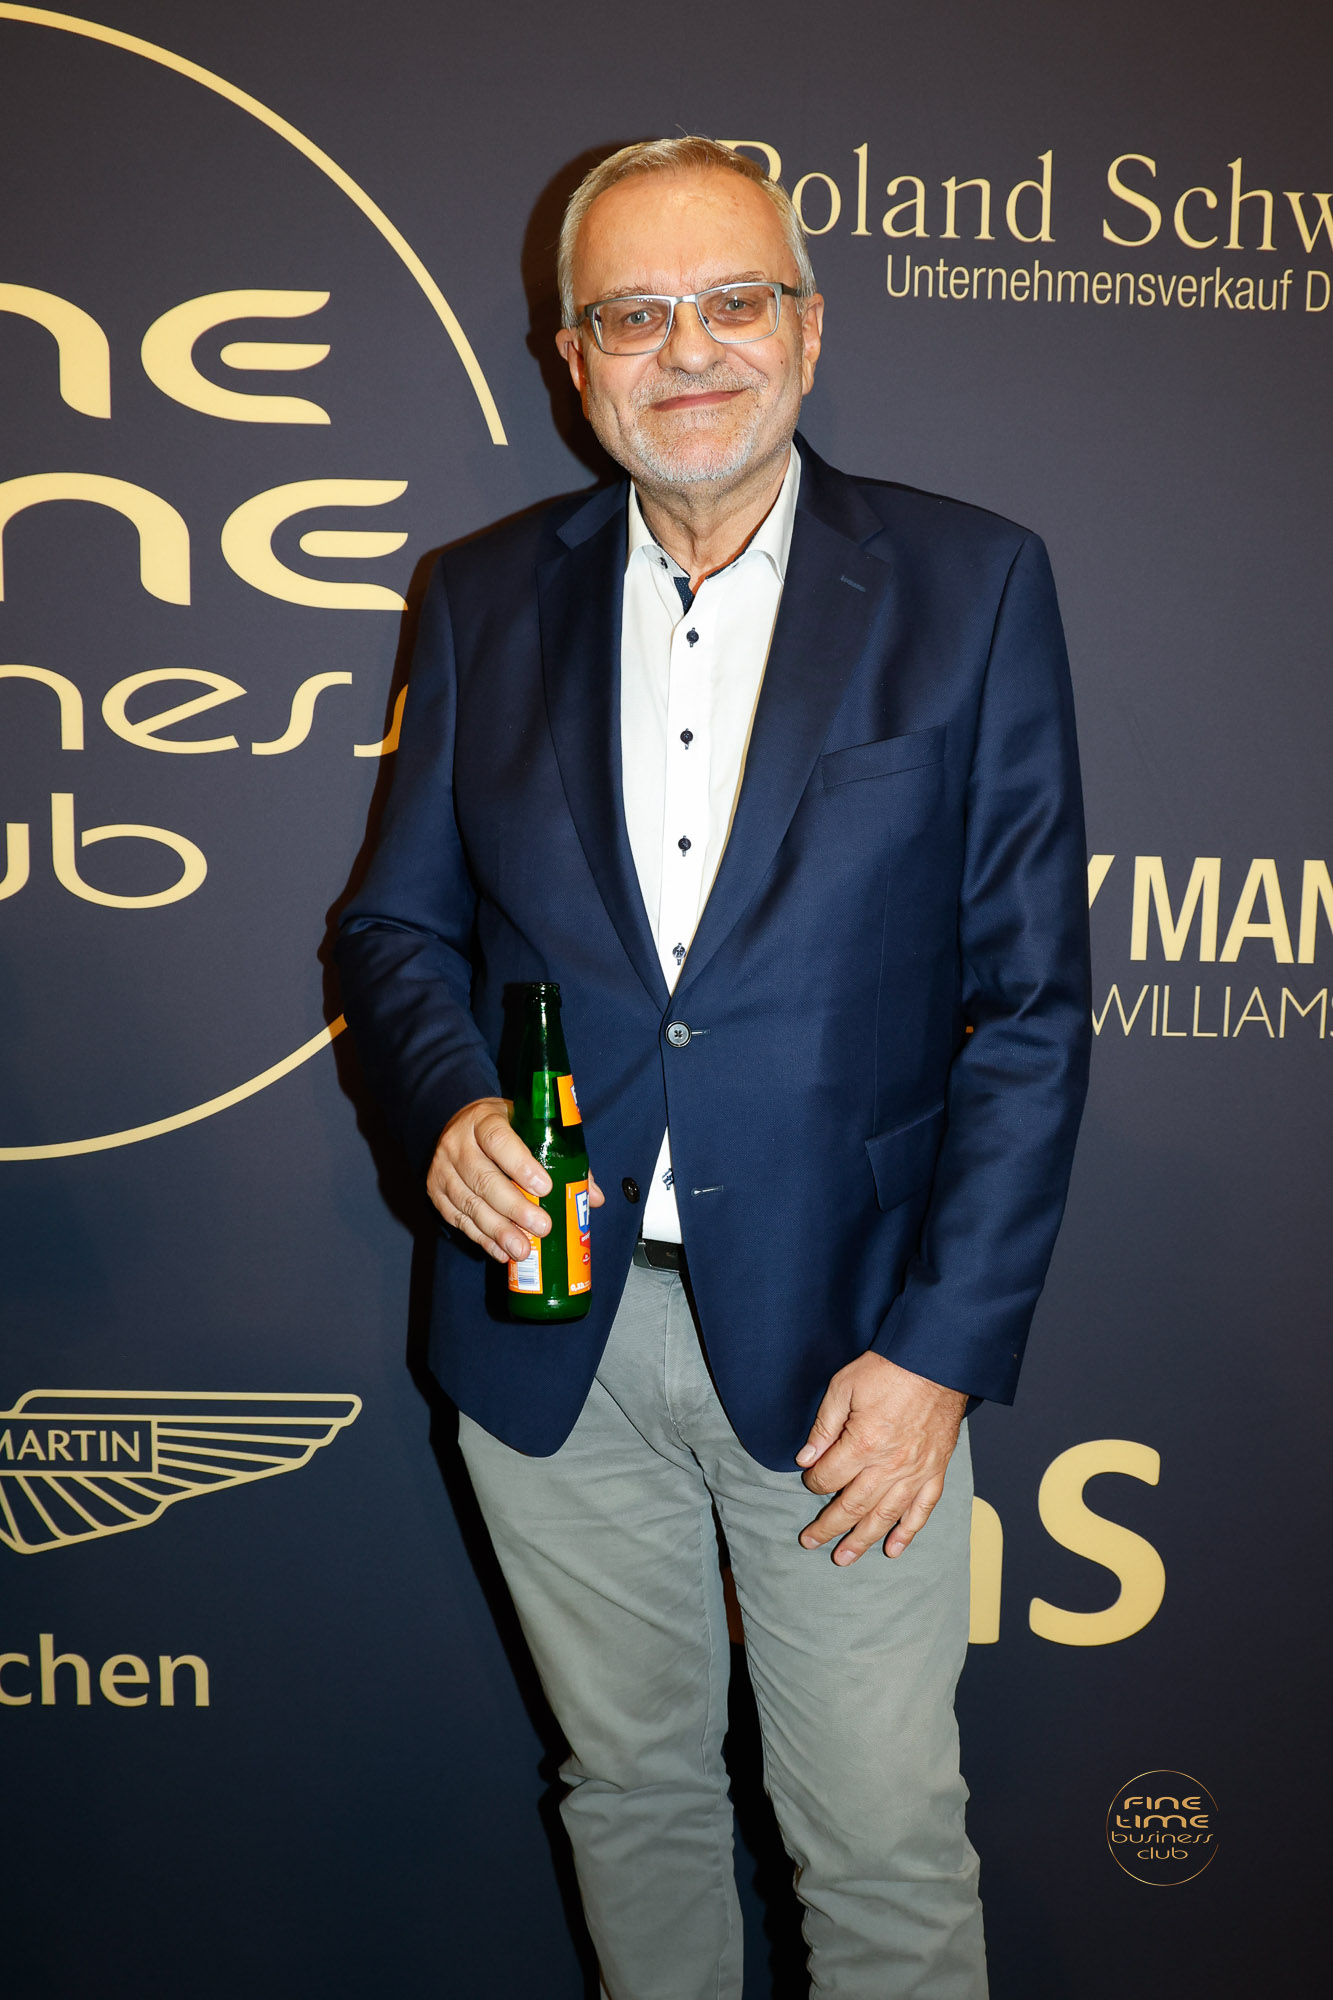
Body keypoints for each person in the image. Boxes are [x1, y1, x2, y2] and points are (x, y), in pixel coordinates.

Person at [337, 135, 1090, 2000]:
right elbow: (393, 933)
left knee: (882, 1846)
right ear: (572, 360)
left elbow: (1031, 1006)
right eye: (634, 316)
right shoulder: (479, 593)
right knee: (629, 1797)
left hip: (850, 1353)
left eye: (733, 301)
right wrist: (447, 1104)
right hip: (548, 1339)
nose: (689, 351)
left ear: (807, 330)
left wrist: (937, 1354)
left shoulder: (971, 583)